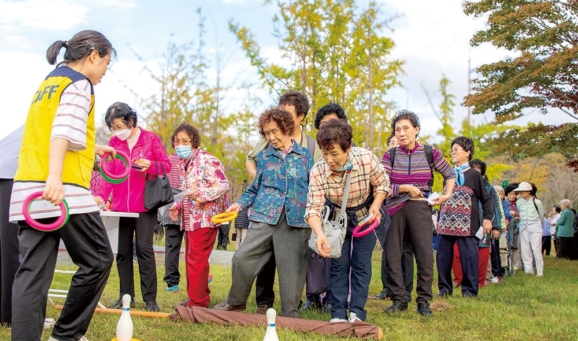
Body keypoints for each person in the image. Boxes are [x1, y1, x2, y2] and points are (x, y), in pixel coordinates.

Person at [8, 30, 116, 341]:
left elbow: (50, 131)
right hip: (62, 191)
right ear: (93, 56)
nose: (104, 74)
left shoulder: (50, 81)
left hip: (27, 188)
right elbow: (61, 134)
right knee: (97, 259)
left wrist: (93, 149)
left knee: (32, 272)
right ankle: (66, 335)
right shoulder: (79, 84)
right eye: (106, 66)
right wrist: (55, 178)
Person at [214, 108, 314, 318]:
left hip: (295, 219)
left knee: (292, 270)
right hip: (264, 215)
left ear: (287, 129)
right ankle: (236, 302)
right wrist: (239, 205)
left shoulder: (305, 156)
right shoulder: (265, 156)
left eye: (275, 131)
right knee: (241, 258)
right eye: (267, 133)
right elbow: (254, 188)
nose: (271, 137)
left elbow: (315, 187)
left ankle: (290, 312)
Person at [306, 119, 390, 322]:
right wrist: (319, 234)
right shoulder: (318, 171)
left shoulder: (366, 159)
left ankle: (357, 312)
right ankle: (337, 314)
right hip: (337, 221)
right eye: (325, 153)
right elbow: (313, 209)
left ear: (348, 148)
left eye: (334, 153)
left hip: (364, 217)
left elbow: (382, 184)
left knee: (361, 265)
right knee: (338, 265)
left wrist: (376, 205)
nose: (329, 159)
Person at [245, 91, 320, 314]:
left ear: (300, 117)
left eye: (286, 113)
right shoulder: (268, 140)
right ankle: (264, 301)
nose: (280, 117)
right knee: (265, 260)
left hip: (295, 214)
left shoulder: (310, 147)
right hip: (269, 210)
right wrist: (259, 177)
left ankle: (291, 305)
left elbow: (315, 177)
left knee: (292, 262)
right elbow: (252, 159)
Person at [381, 110, 456, 316]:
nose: (401, 133)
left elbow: (449, 174)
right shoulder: (390, 155)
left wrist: (446, 195)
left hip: (421, 208)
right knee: (392, 255)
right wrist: (404, 188)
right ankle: (399, 298)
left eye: (406, 128)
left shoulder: (430, 152)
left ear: (416, 130)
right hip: (394, 209)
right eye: (397, 130)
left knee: (424, 255)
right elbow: (381, 184)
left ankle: (423, 301)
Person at [99, 102, 171, 312]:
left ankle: (150, 299)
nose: (116, 131)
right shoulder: (113, 143)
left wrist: (152, 165)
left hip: (144, 204)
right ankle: (125, 296)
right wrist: (100, 197)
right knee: (122, 252)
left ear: (131, 121)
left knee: (144, 249)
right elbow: (107, 173)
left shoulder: (150, 139)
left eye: (119, 126)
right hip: (121, 206)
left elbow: (166, 165)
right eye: (113, 127)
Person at [167, 123, 230, 307]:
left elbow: (223, 185)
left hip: (206, 217)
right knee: (193, 259)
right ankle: (199, 296)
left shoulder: (207, 160)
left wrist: (200, 195)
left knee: (196, 260)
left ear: (194, 141)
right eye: (177, 141)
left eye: (185, 141)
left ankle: (198, 301)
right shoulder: (183, 163)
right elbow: (187, 191)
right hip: (190, 218)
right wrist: (178, 205)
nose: (180, 145)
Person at [450, 158, 502, 290]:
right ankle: (458, 279)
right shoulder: (460, 181)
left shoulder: (489, 188)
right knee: (457, 252)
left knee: (482, 253)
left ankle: (480, 281)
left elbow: (493, 207)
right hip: (462, 223)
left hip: (482, 223)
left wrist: (495, 225)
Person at [375, 133, 415, 303]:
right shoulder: (382, 165)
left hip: (407, 210)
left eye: (397, 142)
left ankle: (405, 289)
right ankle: (388, 287)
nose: (395, 145)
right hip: (387, 210)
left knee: (405, 250)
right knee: (388, 250)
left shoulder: (409, 164)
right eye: (392, 142)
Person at [0, 126, 23, 326]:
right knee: (12, 248)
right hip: (11, 176)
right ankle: (8, 314)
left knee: (6, 246)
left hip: (5, 171)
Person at [160, 148, 184, 293]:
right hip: (187, 203)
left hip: (170, 203)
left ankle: (172, 282)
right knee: (194, 246)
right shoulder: (191, 161)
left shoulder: (167, 161)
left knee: (172, 247)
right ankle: (201, 276)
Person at [513, 182, 545, 276]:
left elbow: (541, 215)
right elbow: (520, 212)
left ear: (529, 192)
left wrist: (538, 225)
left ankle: (540, 272)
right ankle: (528, 271)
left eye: (523, 191)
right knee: (525, 249)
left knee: (536, 249)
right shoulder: (519, 202)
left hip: (535, 226)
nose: (521, 193)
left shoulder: (537, 202)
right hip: (523, 226)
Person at [504, 183, 522, 269]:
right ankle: (506, 264)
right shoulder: (504, 203)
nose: (512, 196)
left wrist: (517, 215)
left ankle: (516, 265)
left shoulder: (519, 203)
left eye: (514, 194)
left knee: (516, 246)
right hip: (507, 228)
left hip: (516, 229)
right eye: (510, 194)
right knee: (506, 246)